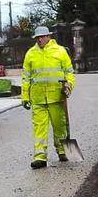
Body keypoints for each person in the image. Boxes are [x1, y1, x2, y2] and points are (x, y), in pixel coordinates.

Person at [21, 26, 75, 169]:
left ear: (48, 36)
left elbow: (69, 73)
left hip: (56, 97)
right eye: (37, 37)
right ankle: (40, 157)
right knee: (39, 129)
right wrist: (25, 96)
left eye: (42, 37)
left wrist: (68, 87)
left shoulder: (60, 51)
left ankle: (63, 151)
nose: (39, 39)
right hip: (38, 98)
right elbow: (26, 78)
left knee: (59, 126)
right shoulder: (30, 54)